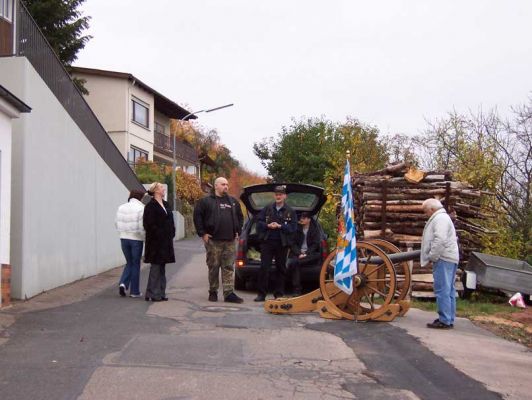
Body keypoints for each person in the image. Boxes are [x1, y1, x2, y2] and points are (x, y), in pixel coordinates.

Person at [193, 177, 244, 303]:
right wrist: (203, 233)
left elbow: (240, 217)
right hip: (213, 241)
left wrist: (238, 231)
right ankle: (213, 291)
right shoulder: (205, 201)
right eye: (223, 184)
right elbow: (197, 217)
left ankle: (229, 294)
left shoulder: (233, 201)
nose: (226, 186)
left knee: (228, 267)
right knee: (213, 267)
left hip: (230, 241)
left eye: (227, 184)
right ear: (216, 186)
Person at [420, 198, 459, 329]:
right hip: (449, 257)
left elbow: (440, 239)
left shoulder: (440, 219)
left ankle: (445, 320)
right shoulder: (443, 217)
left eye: (426, 211)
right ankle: (448, 318)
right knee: (448, 290)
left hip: (443, 257)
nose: (426, 214)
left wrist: (433, 256)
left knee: (442, 289)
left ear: (431, 209)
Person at [254, 185, 297, 302]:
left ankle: (279, 294)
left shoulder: (290, 211)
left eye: (281, 194)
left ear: (285, 196)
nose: (278, 196)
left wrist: (280, 226)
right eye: (277, 194)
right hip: (267, 243)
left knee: (281, 269)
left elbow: (293, 228)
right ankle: (261, 294)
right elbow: (258, 222)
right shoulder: (267, 208)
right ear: (274, 196)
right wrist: (268, 225)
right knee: (264, 268)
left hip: (282, 244)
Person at [143, 182, 175, 302]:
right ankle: (152, 293)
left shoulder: (166, 204)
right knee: (155, 267)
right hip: (155, 242)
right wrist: (159, 234)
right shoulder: (150, 206)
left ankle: (161, 292)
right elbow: (148, 224)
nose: (164, 189)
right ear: (156, 190)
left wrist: (172, 232)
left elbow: (170, 221)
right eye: (161, 187)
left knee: (162, 267)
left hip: (165, 242)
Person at [115, 189, 146, 298]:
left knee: (129, 262)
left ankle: (123, 283)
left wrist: (122, 233)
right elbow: (142, 226)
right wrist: (144, 238)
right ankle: (134, 291)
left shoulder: (121, 207)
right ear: (140, 197)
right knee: (135, 263)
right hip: (136, 239)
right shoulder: (141, 208)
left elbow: (116, 223)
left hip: (123, 238)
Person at [287, 212, 322, 296]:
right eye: (301, 218)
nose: (301, 219)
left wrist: (306, 253)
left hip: (310, 254)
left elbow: (315, 244)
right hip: (298, 254)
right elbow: (292, 244)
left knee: (294, 263)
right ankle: (297, 290)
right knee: (296, 263)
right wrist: (299, 253)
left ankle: (297, 290)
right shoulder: (296, 229)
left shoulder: (315, 230)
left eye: (304, 218)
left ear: (309, 220)